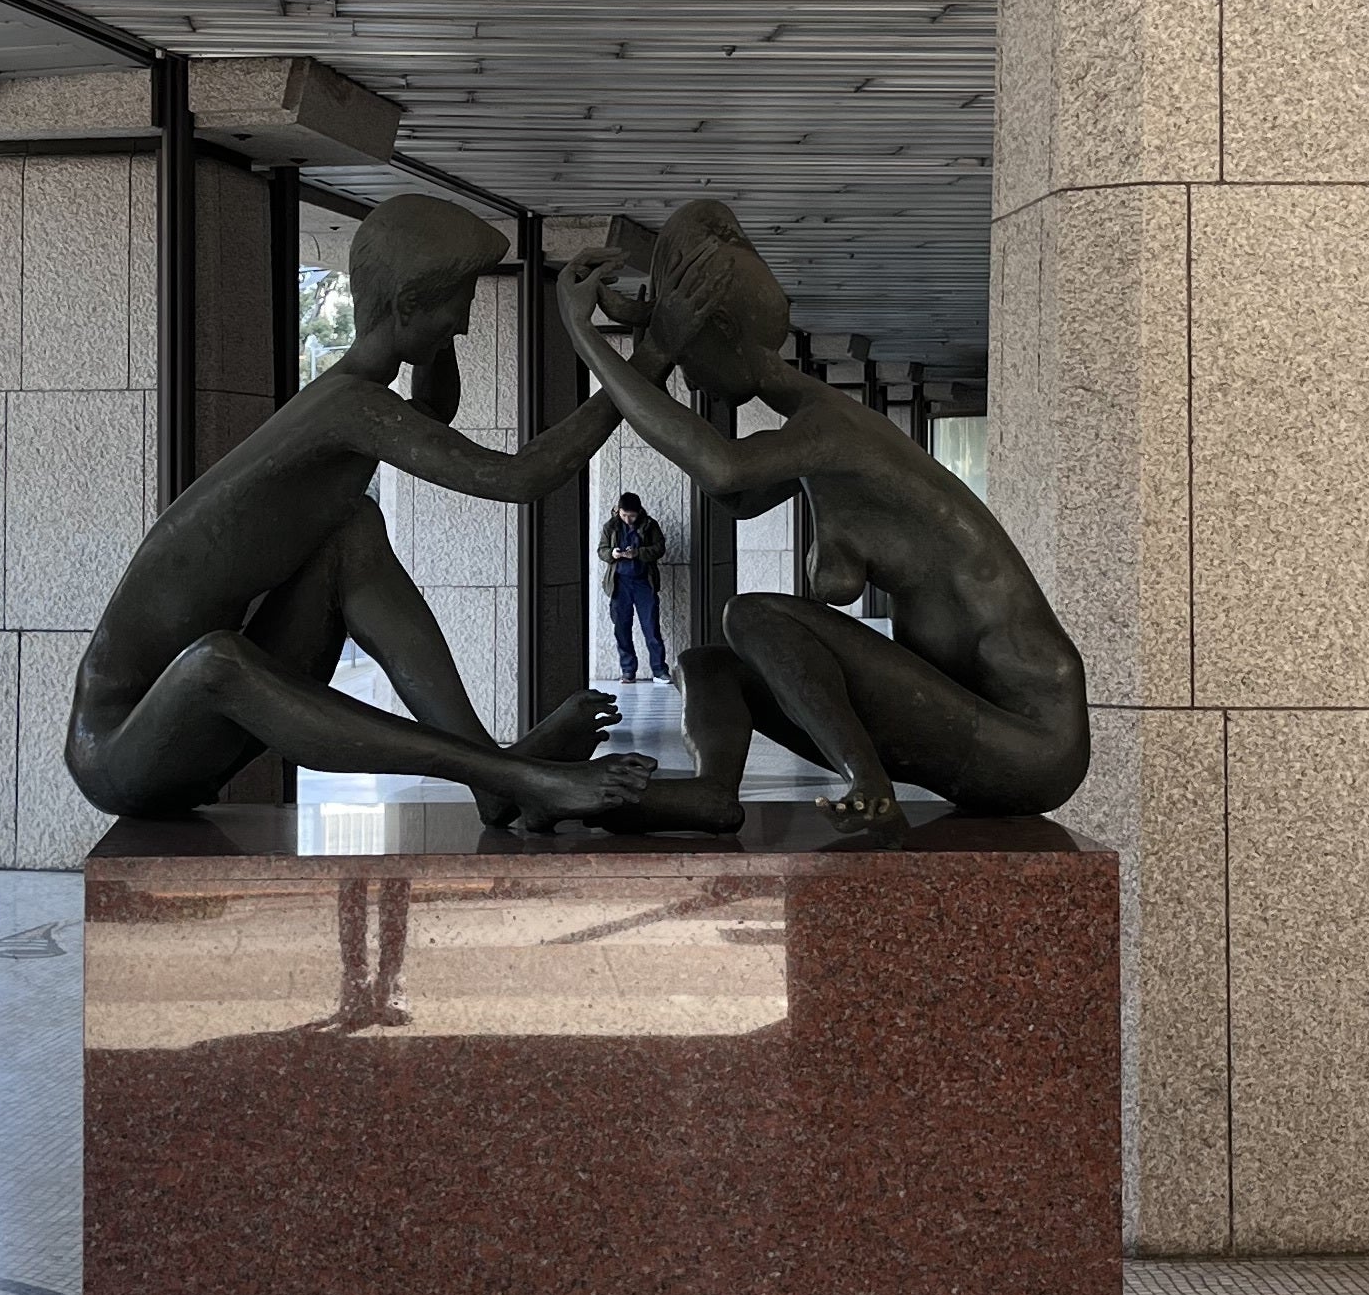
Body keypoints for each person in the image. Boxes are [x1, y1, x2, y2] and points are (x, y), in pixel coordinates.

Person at [65, 190, 658, 834]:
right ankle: (508, 774)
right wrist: (645, 359)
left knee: (353, 528)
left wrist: (432, 332)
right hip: (121, 749)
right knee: (217, 658)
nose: (464, 324)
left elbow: (432, 415)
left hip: (197, 723)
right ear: (406, 306)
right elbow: (520, 477)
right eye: (458, 303)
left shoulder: (357, 397)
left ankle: (495, 779)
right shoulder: (347, 407)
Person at [557, 199, 1089, 835]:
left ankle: (868, 784)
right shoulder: (816, 441)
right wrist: (657, 356)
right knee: (706, 666)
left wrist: (588, 341)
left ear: (720, 331)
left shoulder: (834, 428)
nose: (690, 377)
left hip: (1030, 742)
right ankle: (711, 794)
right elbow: (734, 496)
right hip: (972, 721)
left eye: (688, 351)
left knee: (750, 613)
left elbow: (723, 469)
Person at [598, 489, 671, 681]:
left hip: (643, 582)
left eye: (631, 516)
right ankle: (628, 670)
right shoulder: (611, 526)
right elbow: (601, 550)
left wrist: (637, 553)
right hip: (619, 583)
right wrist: (612, 554)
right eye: (624, 515)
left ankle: (659, 670)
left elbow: (659, 548)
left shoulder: (649, 525)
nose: (628, 520)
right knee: (621, 628)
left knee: (651, 627)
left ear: (639, 512)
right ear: (618, 510)